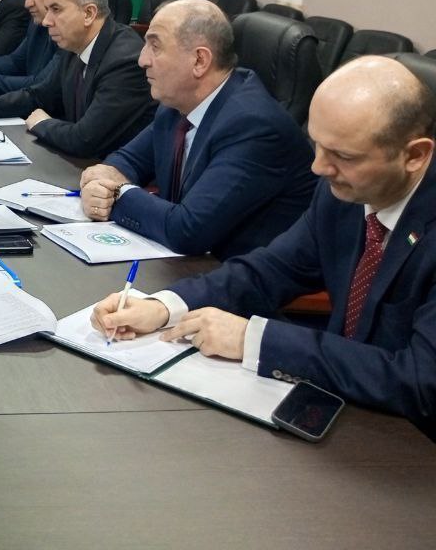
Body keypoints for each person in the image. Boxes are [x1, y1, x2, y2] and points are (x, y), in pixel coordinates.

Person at [91, 56, 436, 438]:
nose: (318, 168)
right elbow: (271, 270)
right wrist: (164, 306)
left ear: (415, 155)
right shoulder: (342, 191)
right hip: (344, 411)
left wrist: (255, 339)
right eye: (318, 146)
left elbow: (421, 381)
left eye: (343, 156)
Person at [78, 0, 318, 258]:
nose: (142, 59)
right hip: (188, 262)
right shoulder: (176, 105)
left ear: (200, 60)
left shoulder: (253, 126)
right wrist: (102, 178)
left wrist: (116, 193)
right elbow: (127, 161)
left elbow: (187, 230)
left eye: (155, 46)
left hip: (239, 271)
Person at [0, 0, 154, 159]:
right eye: (47, 10)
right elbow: (38, 95)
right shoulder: (75, 43)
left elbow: (84, 139)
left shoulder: (124, 61)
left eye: (56, 9)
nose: (46, 21)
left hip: (106, 172)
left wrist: (42, 123)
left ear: (89, 13)